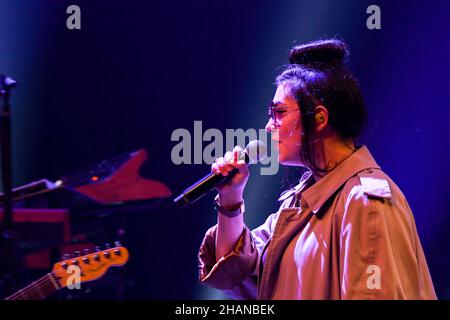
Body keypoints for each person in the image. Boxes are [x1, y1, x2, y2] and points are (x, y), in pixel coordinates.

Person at [197, 39, 437, 300]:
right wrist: (231, 199)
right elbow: (236, 272)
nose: (268, 126)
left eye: (278, 112)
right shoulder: (300, 203)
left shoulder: (366, 202)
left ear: (320, 118)